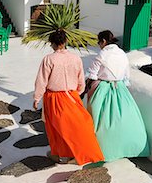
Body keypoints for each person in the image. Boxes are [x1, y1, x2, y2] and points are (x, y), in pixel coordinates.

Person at [33, 29, 104, 166]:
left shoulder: (49, 59)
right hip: (72, 96)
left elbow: (41, 80)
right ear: (65, 42)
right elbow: (81, 81)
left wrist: (37, 98)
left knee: (56, 128)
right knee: (76, 125)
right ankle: (77, 153)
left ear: (52, 44)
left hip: (54, 98)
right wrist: (76, 93)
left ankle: (60, 155)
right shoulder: (75, 58)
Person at [84, 30, 150, 162]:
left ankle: (100, 151)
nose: (98, 45)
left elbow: (92, 74)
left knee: (98, 120)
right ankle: (129, 148)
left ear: (103, 41)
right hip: (119, 88)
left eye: (99, 42)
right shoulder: (122, 54)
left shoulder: (102, 54)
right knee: (125, 118)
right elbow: (126, 77)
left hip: (103, 89)